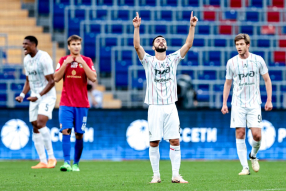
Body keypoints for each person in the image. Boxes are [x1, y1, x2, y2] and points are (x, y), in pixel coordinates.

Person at [133, 12, 198, 183]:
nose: (161, 41)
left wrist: (192, 26)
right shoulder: (147, 61)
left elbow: (188, 44)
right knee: (154, 142)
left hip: (170, 106)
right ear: (153, 47)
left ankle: (176, 175)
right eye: (157, 40)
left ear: (166, 46)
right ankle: (156, 175)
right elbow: (137, 47)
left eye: (163, 40)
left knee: (175, 140)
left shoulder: (173, 59)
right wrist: (137, 28)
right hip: (154, 106)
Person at [221, 33, 273, 175]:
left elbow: (267, 80)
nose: (239, 47)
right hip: (237, 103)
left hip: (254, 103)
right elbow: (228, 83)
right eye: (237, 44)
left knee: (256, 135)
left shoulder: (258, 60)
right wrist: (224, 103)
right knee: (240, 132)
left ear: (247, 45)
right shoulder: (231, 62)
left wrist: (269, 100)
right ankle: (245, 167)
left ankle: (253, 155)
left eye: (241, 44)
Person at [54, 35, 97, 172]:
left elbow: (93, 78)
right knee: (65, 130)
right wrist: (66, 63)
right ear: (68, 46)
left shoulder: (87, 60)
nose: (76, 46)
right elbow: (55, 78)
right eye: (73, 44)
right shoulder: (62, 60)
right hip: (66, 102)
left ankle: (76, 163)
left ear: (81, 45)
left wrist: (82, 63)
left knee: (79, 134)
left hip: (82, 104)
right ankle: (66, 162)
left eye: (78, 44)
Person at [15, 36, 57, 169]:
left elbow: (51, 82)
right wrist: (22, 95)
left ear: (33, 45)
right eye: (23, 44)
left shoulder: (44, 58)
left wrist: (38, 95)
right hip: (34, 95)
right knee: (34, 126)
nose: (23, 46)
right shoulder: (26, 59)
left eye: (26, 44)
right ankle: (43, 161)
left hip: (46, 96)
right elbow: (28, 80)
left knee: (40, 123)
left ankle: (52, 158)